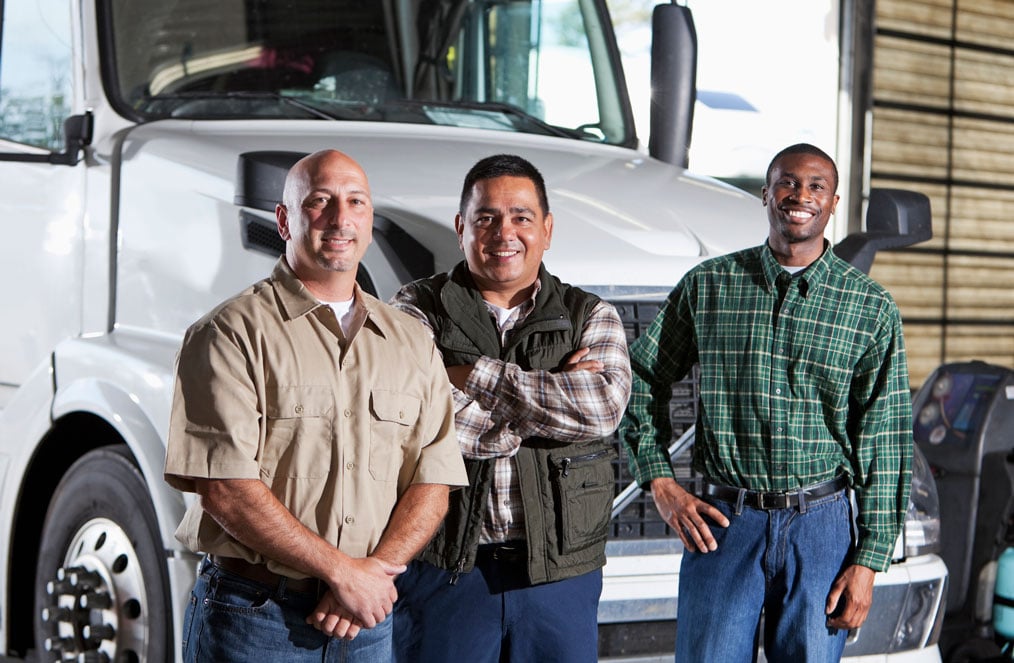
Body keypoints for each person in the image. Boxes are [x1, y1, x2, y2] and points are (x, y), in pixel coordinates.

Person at [164, 149, 468, 662]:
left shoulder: (411, 341)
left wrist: (370, 578)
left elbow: (432, 480)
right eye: (319, 201)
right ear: (284, 219)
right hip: (254, 617)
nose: (339, 218)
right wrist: (342, 573)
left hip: (366, 621)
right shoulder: (229, 334)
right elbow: (226, 490)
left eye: (355, 202)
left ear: (370, 220)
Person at [620, 143, 913, 662]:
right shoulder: (710, 287)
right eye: (787, 182)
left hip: (822, 530)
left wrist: (869, 560)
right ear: (766, 193)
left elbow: (884, 442)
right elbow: (638, 376)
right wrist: (659, 481)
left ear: (833, 201)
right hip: (724, 523)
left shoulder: (870, 308)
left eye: (815, 186)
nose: (800, 195)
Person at [389, 153, 632, 662]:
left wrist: (472, 376)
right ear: (461, 228)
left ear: (546, 228)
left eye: (521, 217)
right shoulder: (413, 310)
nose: (505, 233)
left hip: (558, 575)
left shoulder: (591, 315)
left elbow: (603, 408)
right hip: (445, 568)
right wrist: (551, 398)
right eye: (486, 218)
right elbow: (417, 421)